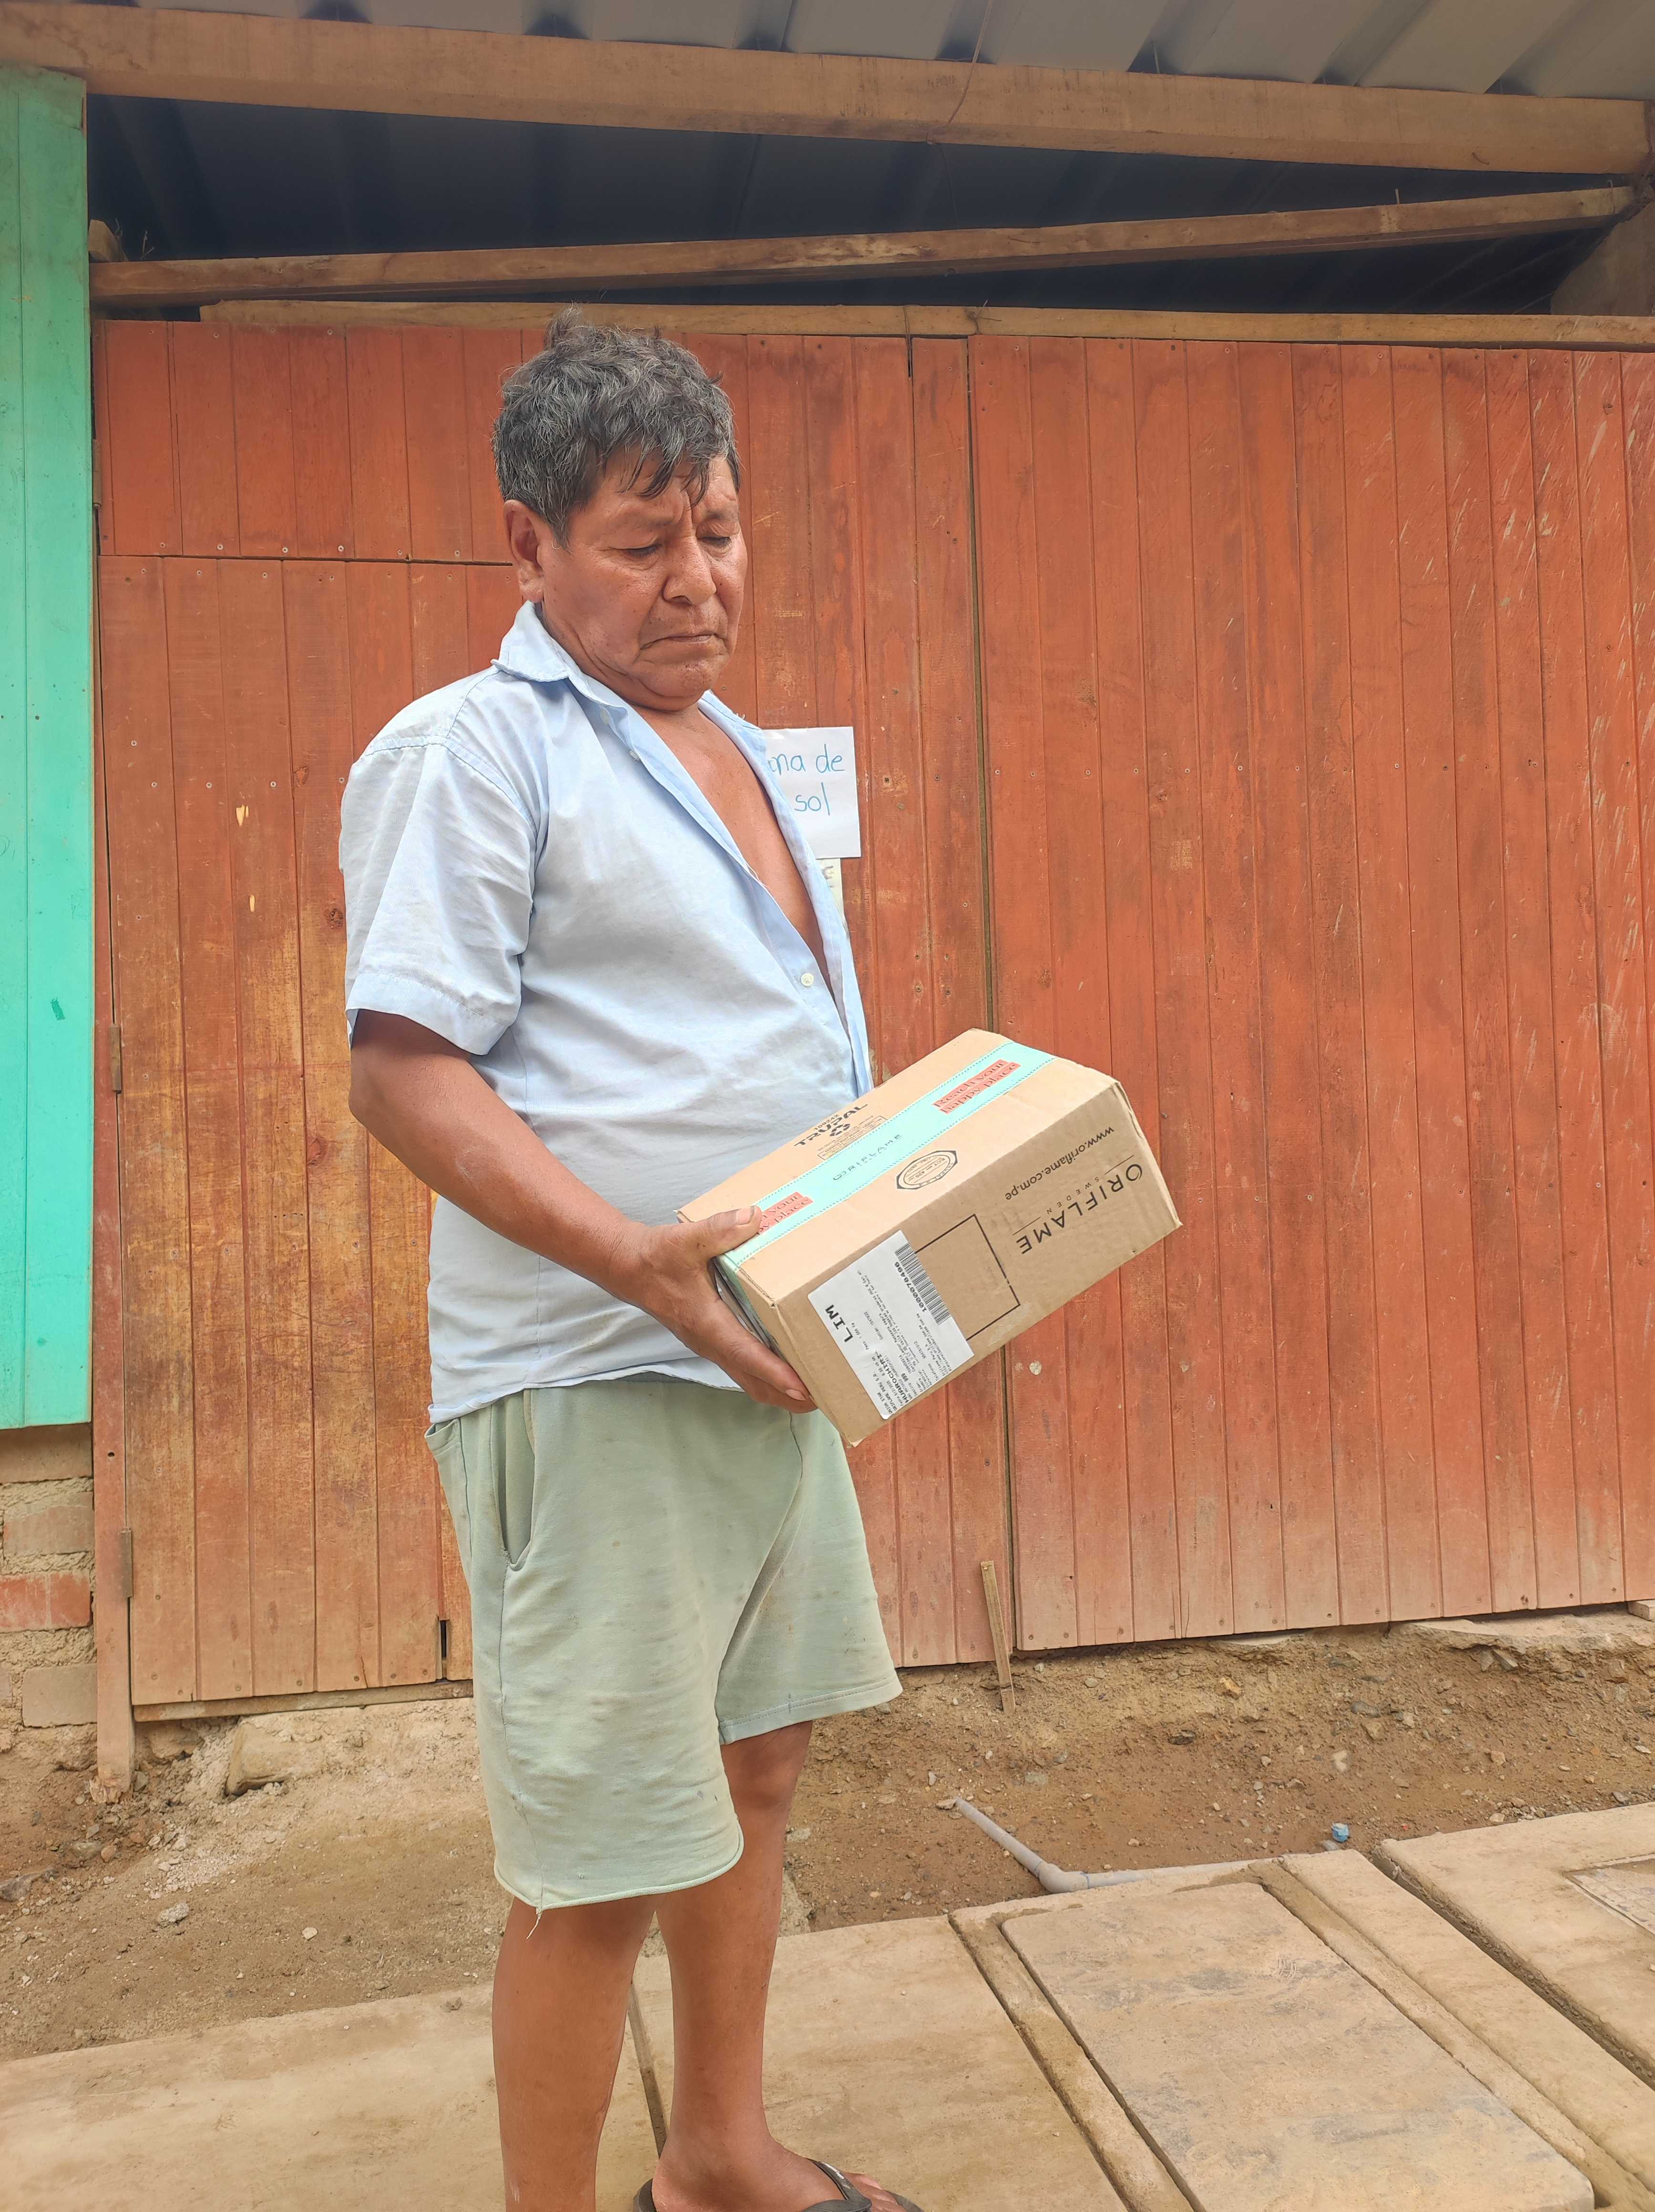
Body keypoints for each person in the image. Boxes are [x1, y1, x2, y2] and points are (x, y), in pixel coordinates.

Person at [340, 312, 921, 2212]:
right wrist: (632, 1259)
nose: (699, 583)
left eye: (721, 534)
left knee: (755, 1767)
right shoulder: (475, 750)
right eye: (643, 543)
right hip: (596, 1378)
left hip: (756, 1361)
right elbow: (402, 1066)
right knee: (595, 1850)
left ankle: (720, 2153)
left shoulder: (741, 749)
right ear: (528, 543)